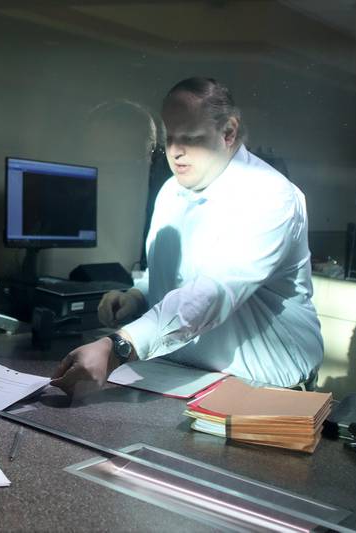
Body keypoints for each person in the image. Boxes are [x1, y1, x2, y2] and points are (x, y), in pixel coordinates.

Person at [52, 77, 323, 394]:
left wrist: (120, 346)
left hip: (265, 388)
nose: (176, 152)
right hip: (181, 378)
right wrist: (136, 296)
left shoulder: (269, 195)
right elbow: (173, 275)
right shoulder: (171, 192)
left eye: (191, 138)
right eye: (170, 139)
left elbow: (213, 292)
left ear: (229, 133)